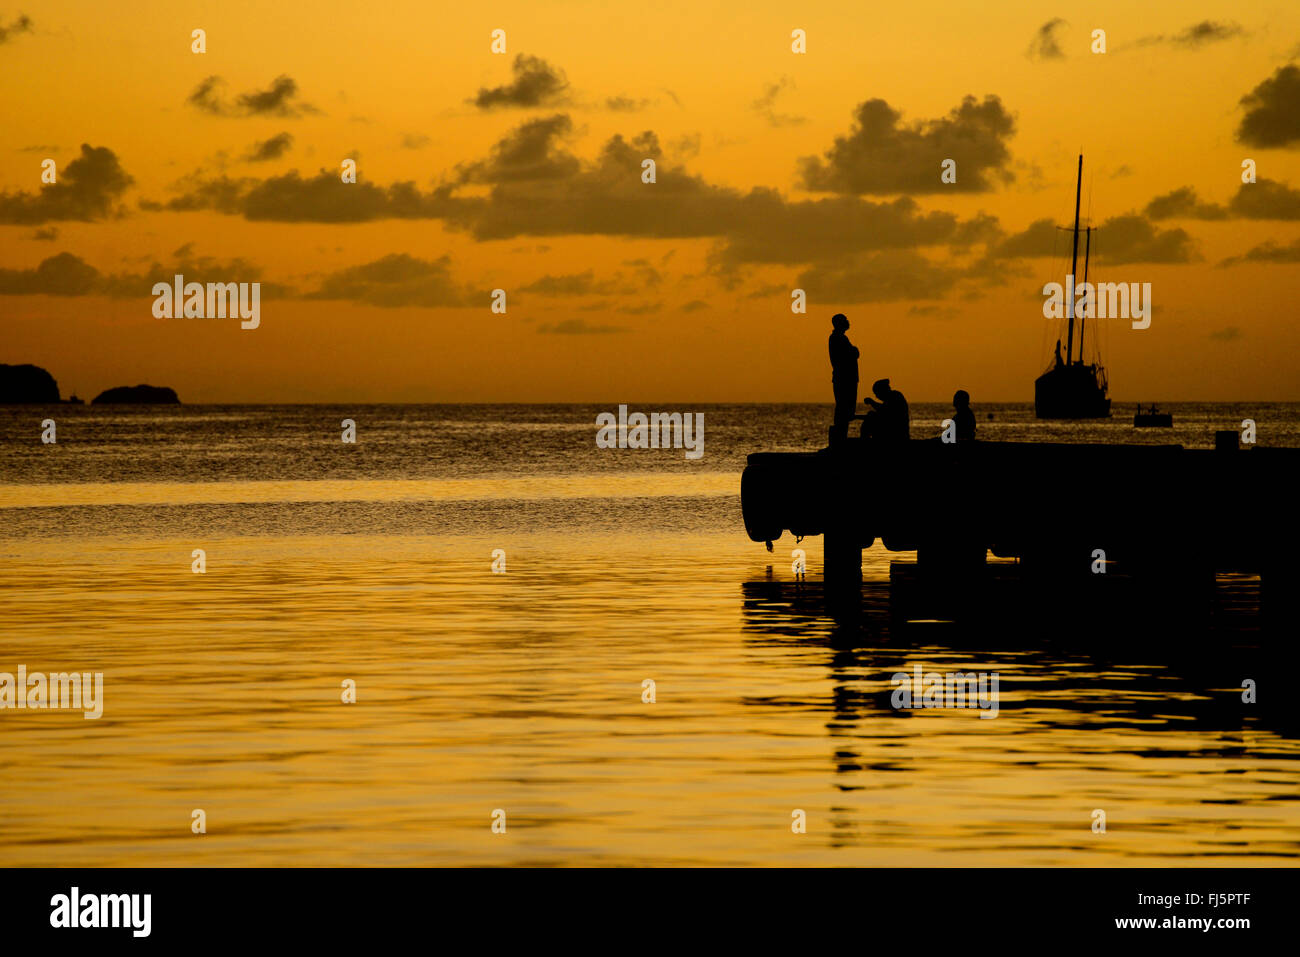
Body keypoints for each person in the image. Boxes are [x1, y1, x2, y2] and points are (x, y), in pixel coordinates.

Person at [828, 314, 859, 443]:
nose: (848, 322)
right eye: (845, 320)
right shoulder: (837, 338)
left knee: (846, 410)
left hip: (847, 378)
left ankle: (841, 439)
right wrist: (854, 350)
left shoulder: (841, 338)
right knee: (843, 409)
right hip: (844, 379)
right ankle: (839, 441)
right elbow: (853, 353)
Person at [862, 378, 909, 444]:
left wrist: (871, 402)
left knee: (871, 416)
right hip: (893, 432)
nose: (876, 396)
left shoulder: (895, 396)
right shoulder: (892, 398)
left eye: (876, 393)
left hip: (897, 435)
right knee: (871, 415)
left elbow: (884, 412)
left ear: (882, 391)